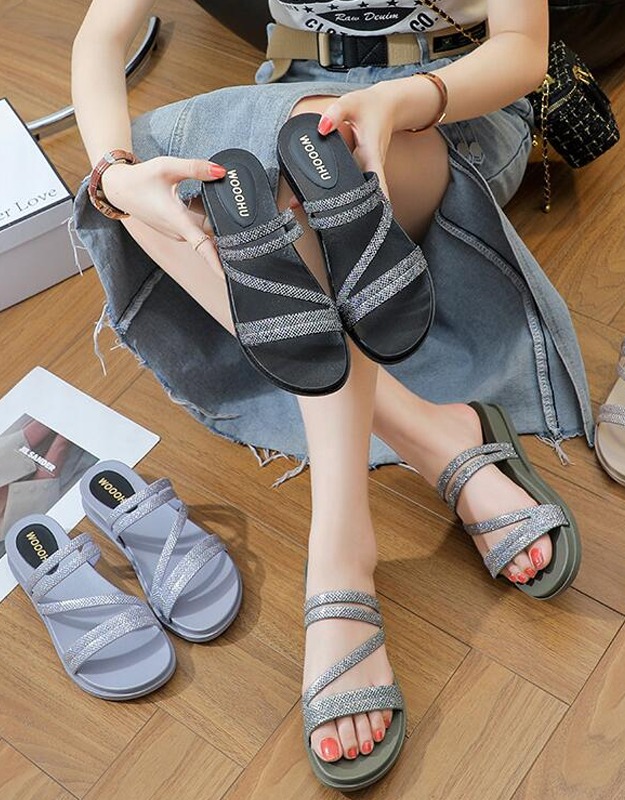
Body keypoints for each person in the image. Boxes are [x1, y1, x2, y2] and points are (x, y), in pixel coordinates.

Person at [71, 0, 593, 787]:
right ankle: (431, 433)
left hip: (444, 105)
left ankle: (340, 558)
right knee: (155, 178)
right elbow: (102, 34)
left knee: (302, 178)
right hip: (289, 97)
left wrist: (401, 101)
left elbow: (521, 50)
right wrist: (115, 174)